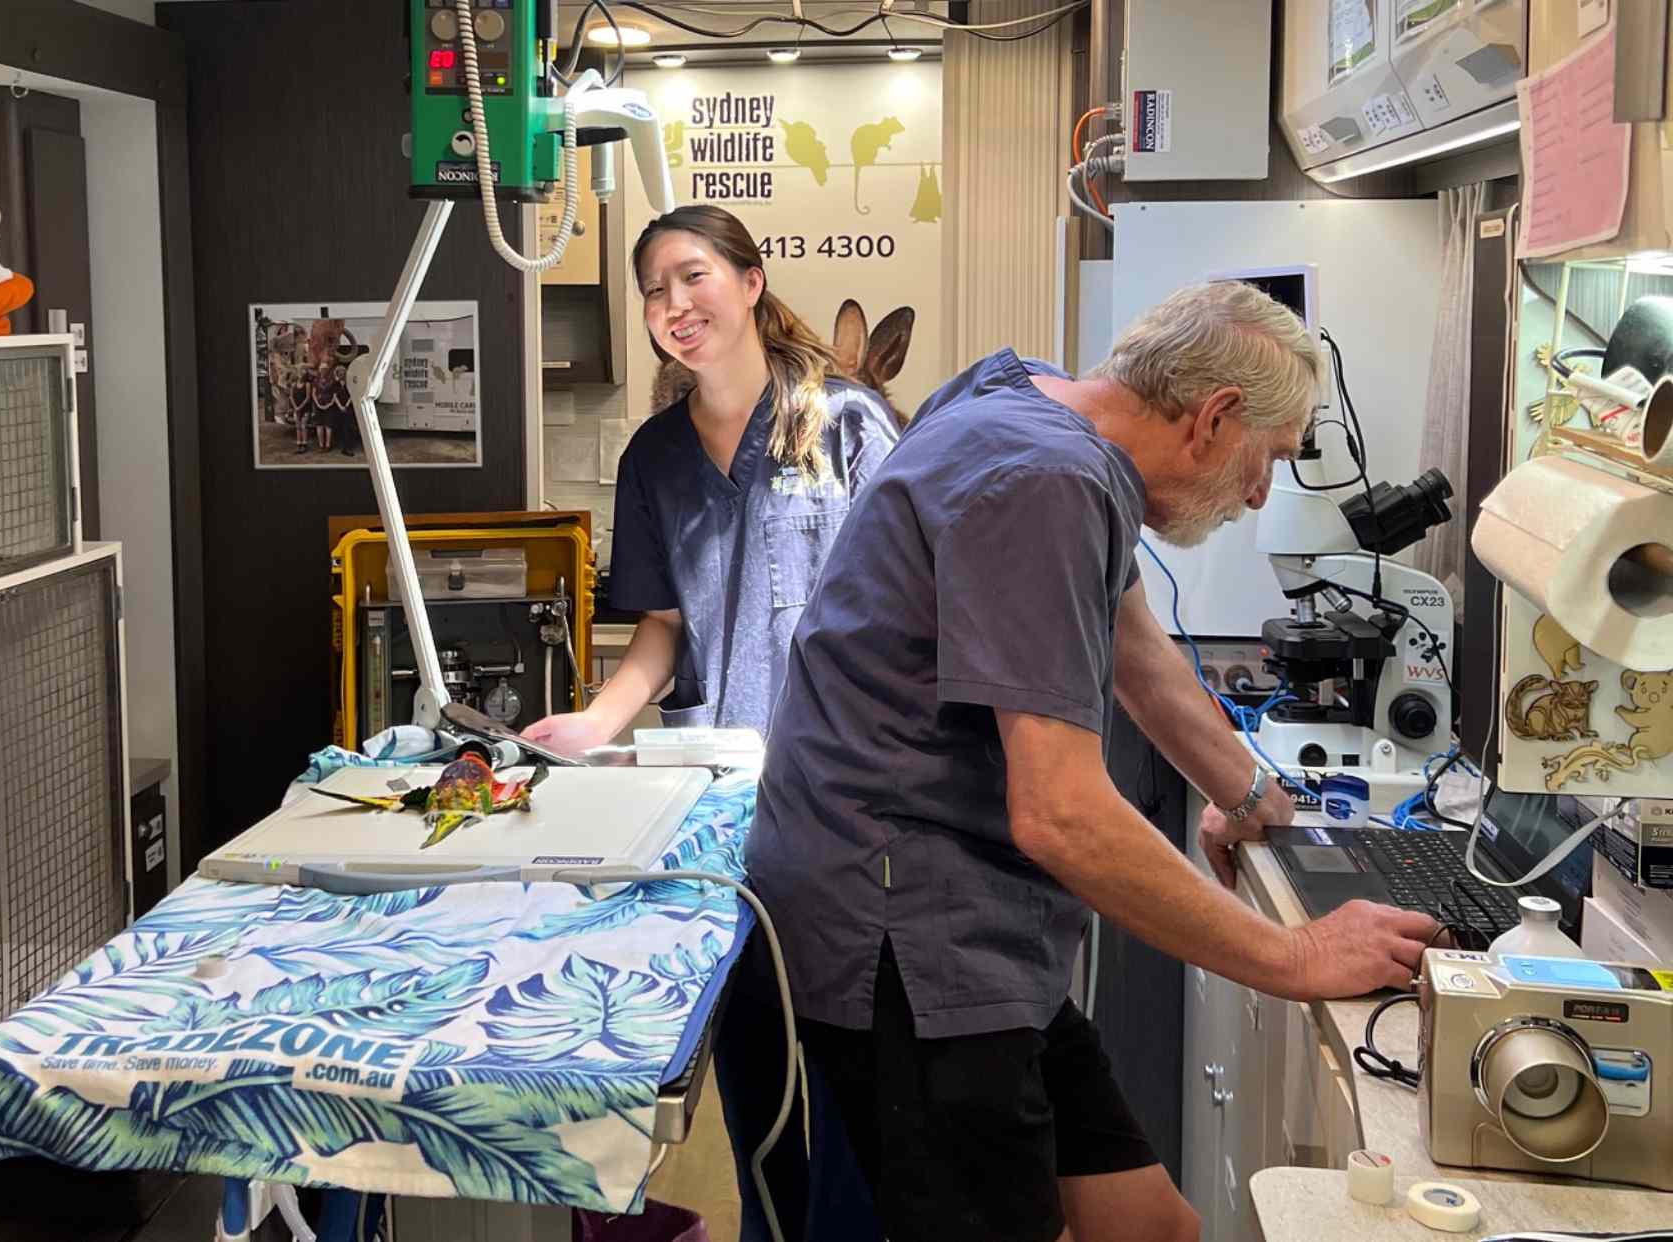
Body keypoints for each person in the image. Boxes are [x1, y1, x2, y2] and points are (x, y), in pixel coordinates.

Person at [748, 282, 1445, 1242]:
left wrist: (1249, 794)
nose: (1257, 495)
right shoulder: (1049, 480)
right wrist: (1294, 955)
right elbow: (1061, 812)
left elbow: (1134, 649)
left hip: (969, 918)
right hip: (906, 938)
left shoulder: (1028, 395)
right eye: (1268, 461)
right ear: (1215, 417)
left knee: (1156, 1228)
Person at [523, 204, 896, 1242]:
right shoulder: (653, 459)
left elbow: (916, 608)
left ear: (751, 281)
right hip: (722, 806)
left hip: (848, 806)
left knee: (854, 1076)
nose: (674, 305)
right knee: (756, 1074)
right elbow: (662, 628)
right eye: (654, 290)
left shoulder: (849, 426)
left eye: (693, 277)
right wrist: (597, 723)